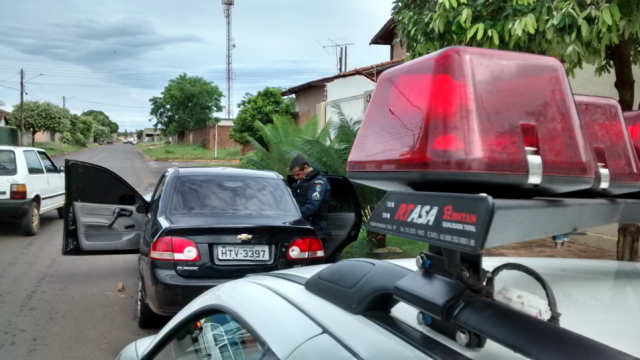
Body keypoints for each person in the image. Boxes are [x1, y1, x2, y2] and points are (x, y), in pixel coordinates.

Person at [289, 155, 331, 238]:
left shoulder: (318, 182)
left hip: (315, 225)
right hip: (302, 222)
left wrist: (294, 215)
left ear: (306, 167)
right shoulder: (303, 180)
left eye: (298, 174)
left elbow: (313, 206)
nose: (296, 177)